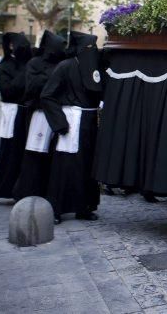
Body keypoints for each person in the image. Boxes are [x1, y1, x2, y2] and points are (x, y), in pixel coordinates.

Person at [41, 31, 103, 224]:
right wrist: (59, 122)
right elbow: (47, 95)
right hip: (72, 122)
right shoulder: (65, 66)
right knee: (65, 166)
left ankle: (84, 206)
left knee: (88, 167)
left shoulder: (96, 68)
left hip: (91, 121)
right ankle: (56, 208)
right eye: (88, 48)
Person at [12, 30, 66, 201]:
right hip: (39, 114)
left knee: (53, 156)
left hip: (58, 114)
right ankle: (26, 192)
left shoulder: (62, 63)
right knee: (34, 154)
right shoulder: (35, 63)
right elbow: (31, 87)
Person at [0, 32, 32, 206]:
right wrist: (27, 71)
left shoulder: (29, 63)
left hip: (28, 113)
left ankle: (19, 189)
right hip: (12, 112)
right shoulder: (3, 67)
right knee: (8, 153)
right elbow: (8, 90)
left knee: (24, 155)